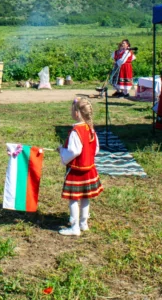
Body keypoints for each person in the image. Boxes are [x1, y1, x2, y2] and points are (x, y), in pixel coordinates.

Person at [58, 97, 103, 236]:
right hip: (89, 169)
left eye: (72, 110)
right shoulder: (91, 129)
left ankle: (74, 227)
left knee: (74, 198)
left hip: (77, 171)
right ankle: (84, 223)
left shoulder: (75, 132)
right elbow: (96, 149)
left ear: (77, 113)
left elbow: (74, 151)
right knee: (85, 197)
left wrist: (62, 151)